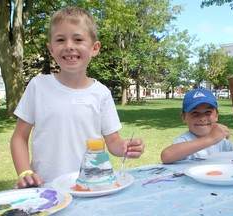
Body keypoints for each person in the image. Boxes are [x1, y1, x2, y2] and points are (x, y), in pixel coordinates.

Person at [10, 6, 145, 189]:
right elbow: (19, 137)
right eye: (60, 39)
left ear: (95, 48)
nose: (69, 46)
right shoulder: (38, 86)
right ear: (51, 48)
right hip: (45, 186)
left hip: (92, 186)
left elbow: (112, 140)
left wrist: (124, 147)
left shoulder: (101, 93)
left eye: (78, 39)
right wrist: (25, 173)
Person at [161, 88, 233, 163]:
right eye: (195, 113)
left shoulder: (218, 139)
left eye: (208, 112)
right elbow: (167, 156)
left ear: (216, 116)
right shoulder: (185, 140)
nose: (203, 118)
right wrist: (212, 139)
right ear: (184, 117)